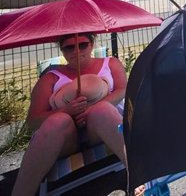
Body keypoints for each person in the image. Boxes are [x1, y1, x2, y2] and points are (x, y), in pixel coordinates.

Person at [11, 34, 127, 196]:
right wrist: (67, 111)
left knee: (103, 110)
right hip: (67, 138)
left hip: (101, 128)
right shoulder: (51, 78)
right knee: (58, 121)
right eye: (69, 47)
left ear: (92, 44)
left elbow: (122, 90)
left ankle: (138, 173)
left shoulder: (110, 64)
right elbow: (33, 120)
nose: (77, 52)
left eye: (83, 45)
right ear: (61, 49)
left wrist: (91, 108)